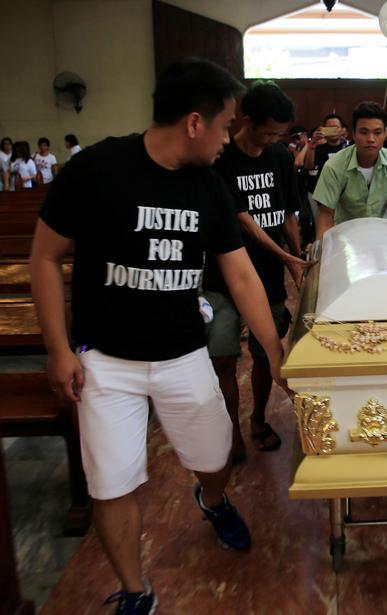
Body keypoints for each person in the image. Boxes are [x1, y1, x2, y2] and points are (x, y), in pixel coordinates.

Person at [30, 57, 291, 614]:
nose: (228, 138)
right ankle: (134, 591)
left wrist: (274, 347)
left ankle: (213, 499)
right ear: (194, 123)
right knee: (112, 483)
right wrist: (57, 349)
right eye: (224, 125)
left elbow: (239, 273)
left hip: (181, 352)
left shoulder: (210, 186)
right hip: (103, 360)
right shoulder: (97, 168)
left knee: (215, 456)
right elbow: (46, 257)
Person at [202, 81, 311, 462]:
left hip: (267, 275)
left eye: (280, 133)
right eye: (268, 132)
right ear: (246, 121)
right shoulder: (221, 157)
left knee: (267, 354)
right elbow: (242, 221)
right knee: (224, 358)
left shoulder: (280, 156)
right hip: (223, 277)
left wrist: (296, 260)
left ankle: (259, 420)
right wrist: (286, 256)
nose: (274, 139)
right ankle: (229, 431)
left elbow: (287, 215)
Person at [312, 101, 387, 237]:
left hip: (381, 236)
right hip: (344, 238)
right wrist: (323, 251)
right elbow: (325, 214)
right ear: (354, 134)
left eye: (377, 132)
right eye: (364, 132)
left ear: (385, 134)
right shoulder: (334, 166)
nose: (371, 139)